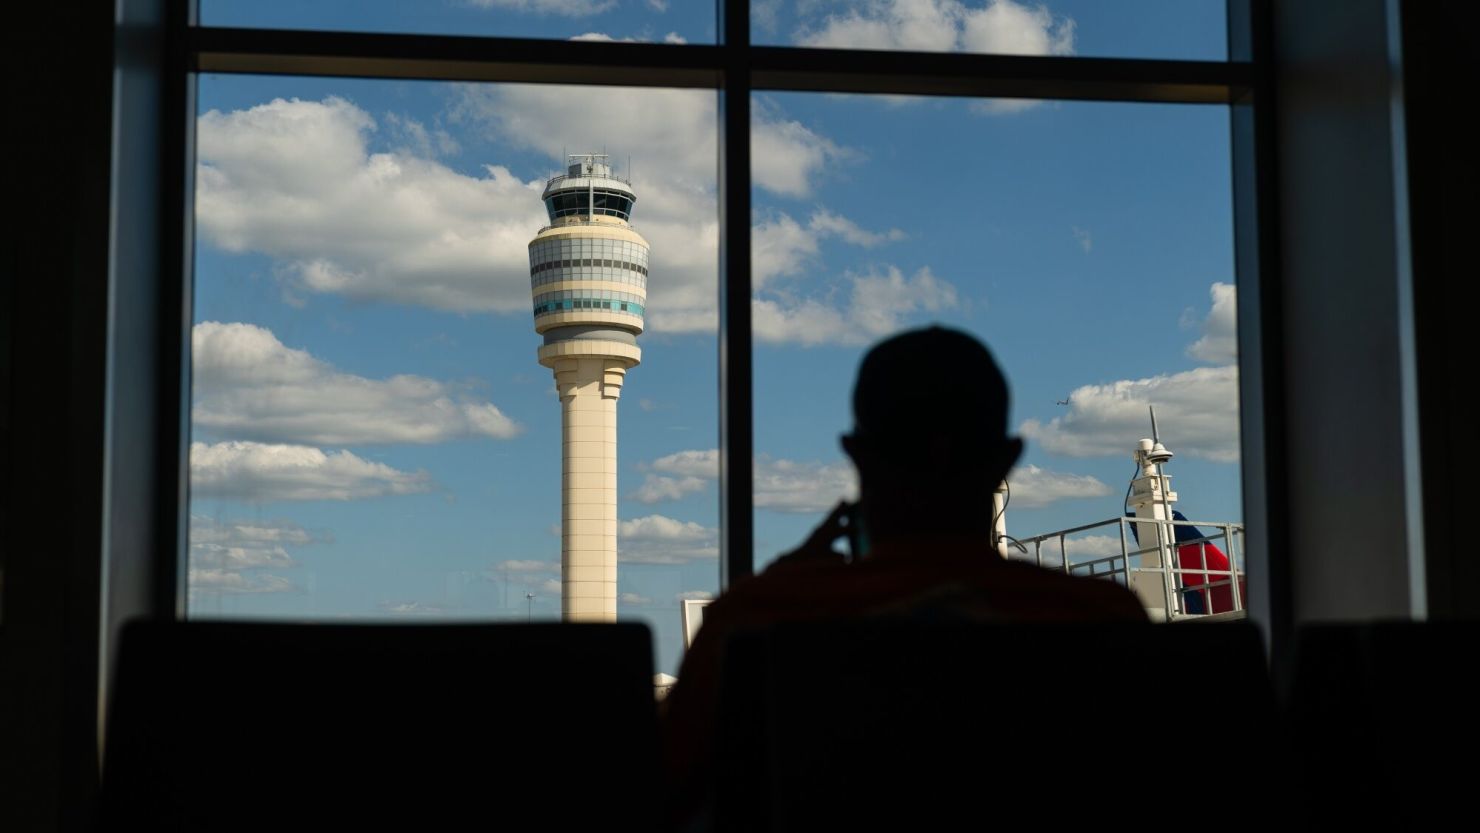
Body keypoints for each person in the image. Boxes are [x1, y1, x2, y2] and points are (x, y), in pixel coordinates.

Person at [658, 326, 1147, 824]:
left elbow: (665, 799)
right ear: (1007, 460)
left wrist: (782, 577)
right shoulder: (1100, 617)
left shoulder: (752, 620)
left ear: (856, 454)